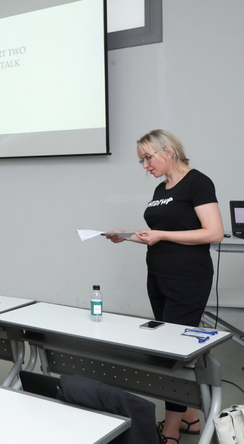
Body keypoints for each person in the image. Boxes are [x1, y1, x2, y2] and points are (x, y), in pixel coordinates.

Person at [106, 130, 223, 444]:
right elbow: (160, 233)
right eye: (141, 160)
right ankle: (189, 417)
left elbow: (214, 232)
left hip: (188, 279)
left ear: (168, 151)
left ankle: (170, 431)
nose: (145, 165)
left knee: (173, 351)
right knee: (171, 347)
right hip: (158, 275)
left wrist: (162, 236)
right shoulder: (162, 188)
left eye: (148, 158)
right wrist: (127, 235)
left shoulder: (198, 182)